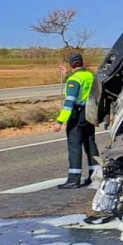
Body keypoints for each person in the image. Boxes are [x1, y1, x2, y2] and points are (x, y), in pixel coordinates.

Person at [51, 52, 100, 189]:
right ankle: (95, 175)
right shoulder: (90, 75)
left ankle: (73, 179)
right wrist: (67, 75)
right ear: (82, 62)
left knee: (74, 146)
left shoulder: (74, 79)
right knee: (90, 144)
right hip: (90, 113)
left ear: (71, 64)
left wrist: (59, 122)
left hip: (77, 116)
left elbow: (69, 103)